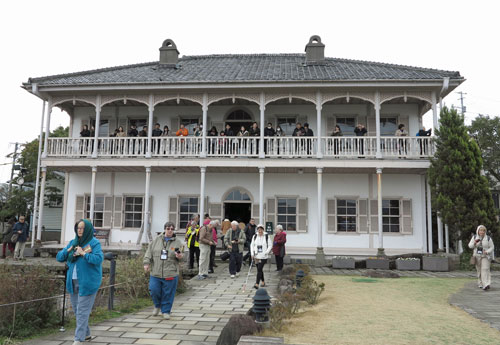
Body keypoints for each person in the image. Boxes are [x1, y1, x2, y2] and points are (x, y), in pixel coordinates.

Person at [56, 219, 103, 345]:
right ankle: (86, 334)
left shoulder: (94, 243)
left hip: (88, 282)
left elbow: (98, 259)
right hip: (72, 282)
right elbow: (59, 258)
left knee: (82, 311)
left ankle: (78, 339)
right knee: (77, 311)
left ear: (87, 229)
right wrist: (68, 250)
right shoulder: (73, 242)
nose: (79, 230)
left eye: (82, 228)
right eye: (78, 228)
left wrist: (84, 254)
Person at [143, 221, 183, 319]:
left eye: (172, 229)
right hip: (156, 272)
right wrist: (146, 263)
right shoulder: (156, 240)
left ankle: (166, 311)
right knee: (154, 290)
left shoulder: (178, 242)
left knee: (168, 293)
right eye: (168, 228)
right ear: (164, 229)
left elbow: (183, 255)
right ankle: (157, 305)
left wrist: (180, 256)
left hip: (170, 272)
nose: (170, 230)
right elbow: (148, 253)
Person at [468, 225, 495, 291]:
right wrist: (474, 243)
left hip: (485, 256)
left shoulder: (488, 238)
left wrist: (487, 251)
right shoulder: (474, 237)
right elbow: (470, 246)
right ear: (478, 231)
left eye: (483, 230)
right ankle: (480, 283)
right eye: (480, 230)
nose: (482, 232)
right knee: (479, 270)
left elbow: (492, 247)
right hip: (477, 256)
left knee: (485, 269)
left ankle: (486, 284)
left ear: (485, 231)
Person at [250, 225, 272, 289]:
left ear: (263, 230)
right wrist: (252, 254)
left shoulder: (266, 236)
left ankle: (257, 283)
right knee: (259, 269)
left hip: (263, 256)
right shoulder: (255, 236)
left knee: (259, 268)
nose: (260, 231)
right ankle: (263, 282)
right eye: (258, 230)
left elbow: (270, 245)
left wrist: (266, 252)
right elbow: (252, 245)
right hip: (256, 255)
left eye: (261, 229)